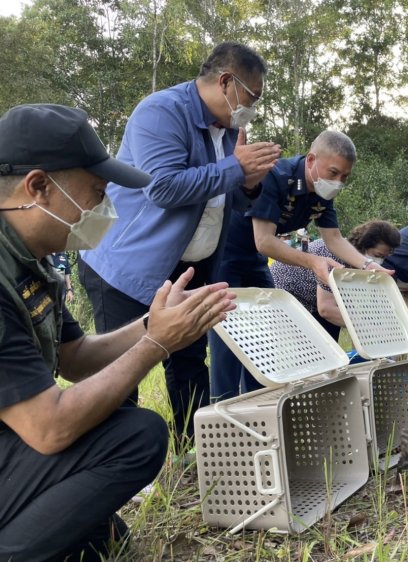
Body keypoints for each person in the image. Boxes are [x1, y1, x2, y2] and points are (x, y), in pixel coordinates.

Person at [0, 104, 236, 561]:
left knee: (104, 535)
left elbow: (76, 356)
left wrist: (153, 323)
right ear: (38, 187)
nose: (103, 208)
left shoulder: (31, 259)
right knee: (137, 437)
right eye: (95, 192)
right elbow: (48, 428)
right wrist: (157, 345)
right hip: (22, 437)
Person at [77, 42, 280, 448]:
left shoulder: (228, 130)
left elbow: (224, 200)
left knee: (188, 359)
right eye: (252, 96)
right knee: (121, 367)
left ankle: (198, 449)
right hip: (128, 266)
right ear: (226, 82)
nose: (253, 107)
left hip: (188, 267)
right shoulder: (161, 112)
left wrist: (250, 184)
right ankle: (116, 463)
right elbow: (164, 188)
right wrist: (235, 167)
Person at [212, 130, 391, 401]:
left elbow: (334, 238)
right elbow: (265, 241)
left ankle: (257, 401)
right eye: (333, 173)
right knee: (230, 333)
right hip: (225, 255)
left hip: (254, 260)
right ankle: (222, 407)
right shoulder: (275, 177)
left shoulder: (321, 192)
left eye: (344, 176)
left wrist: (366, 265)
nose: (338, 182)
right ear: (310, 160)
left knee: (264, 336)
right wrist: (312, 262)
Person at [271, 220, 401, 341]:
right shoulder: (335, 255)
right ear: (363, 245)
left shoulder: (355, 263)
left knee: (330, 341)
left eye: (384, 257)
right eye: (378, 255)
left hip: (311, 300)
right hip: (284, 296)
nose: (379, 261)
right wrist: (369, 329)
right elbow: (326, 309)